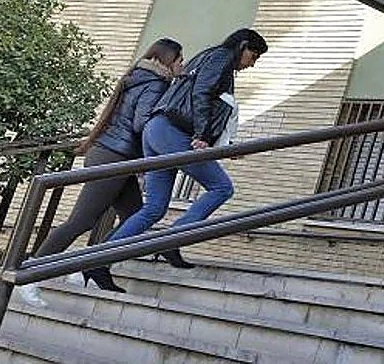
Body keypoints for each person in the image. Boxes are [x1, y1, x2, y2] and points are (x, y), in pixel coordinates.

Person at [91, 28, 268, 289]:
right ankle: (173, 239)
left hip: (157, 131)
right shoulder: (221, 58)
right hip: (173, 132)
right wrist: (202, 135)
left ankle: (96, 263)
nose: (252, 63)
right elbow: (202, 94)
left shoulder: (207, 57)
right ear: (242, 46)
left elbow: (206, 100)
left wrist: (224, 144)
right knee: (221, 187)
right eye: (253, 55)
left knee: (155, 208)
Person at [17, 38, 184, 307]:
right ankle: (29, 275)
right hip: (113, 158)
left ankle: (90, 269)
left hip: (112, 155)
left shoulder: (137, 77)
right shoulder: (156, 84)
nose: (182, 65)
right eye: (179, 60)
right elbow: (143, 124)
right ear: (168, 61)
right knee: (81, 220)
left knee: (133, 217)